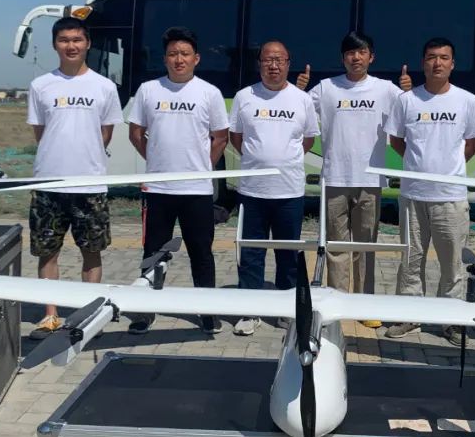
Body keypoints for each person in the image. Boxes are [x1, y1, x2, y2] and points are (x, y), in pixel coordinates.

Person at [384, 37, 475, 345]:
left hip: (450, 197)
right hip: (413, 196)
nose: (437, 63)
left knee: (452, 263)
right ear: (423, 63)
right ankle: (409, 316)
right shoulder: (407, 100)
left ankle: (450, 320)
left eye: (443, 57)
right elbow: (397, 140)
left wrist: (448, 169)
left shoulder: (466, 100)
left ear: (452, 64)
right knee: (410, 260)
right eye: (431, 57)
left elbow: (473, 142)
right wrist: (419, 168)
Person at [127, 26, 229, 336]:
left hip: (197, 191)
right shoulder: (148, 90)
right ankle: (145, 311)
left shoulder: (209, 93)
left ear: (196, 58)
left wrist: (201, 168)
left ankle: (207, 312)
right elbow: (136, 133)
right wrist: (157, 161)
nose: (178, 59)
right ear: (165, 59)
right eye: (173, 54)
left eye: (184, 54)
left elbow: (220, 137)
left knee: (201, 253)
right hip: (159, 189)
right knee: (153, 252)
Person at [26, 16, 124, 340]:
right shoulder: (41, 86)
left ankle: (88, 313)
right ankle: (50, 315)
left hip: (90, 184)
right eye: (64, 40)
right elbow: (41, 133)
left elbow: (105, 133)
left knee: (91, 251)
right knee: (47, 251)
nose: (71, 45)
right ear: (55, 44)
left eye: (77, 39)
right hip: (49, 184)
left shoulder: (104, 87)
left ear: (88, 44)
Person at [300, 33, 407, 328]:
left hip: (370, 180)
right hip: (335, 178)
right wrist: (298, 89)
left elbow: (410, 111)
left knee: (365, 246)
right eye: (350, 52)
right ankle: (336, 303)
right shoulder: (326, 88)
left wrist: (409, 91)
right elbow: (299, 109)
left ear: (371, 57)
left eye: (362, 52)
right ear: (342, 57)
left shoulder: (387, 89)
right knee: (335, 246)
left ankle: (364, 304)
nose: (355, 57)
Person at [229, 40, 319, 335]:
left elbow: (308, 139)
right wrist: (258, 160)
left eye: (279, 60)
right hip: (252, 191)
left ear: (288, 64)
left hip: (289, 191)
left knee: (288, 254)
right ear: (260, 64)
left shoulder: (302, 99)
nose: (273, 65)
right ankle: (250, 311)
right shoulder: (244, 96)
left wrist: (283, 160)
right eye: (268, 59)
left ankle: (285, 309)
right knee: (251, 252)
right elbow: (236, 137)